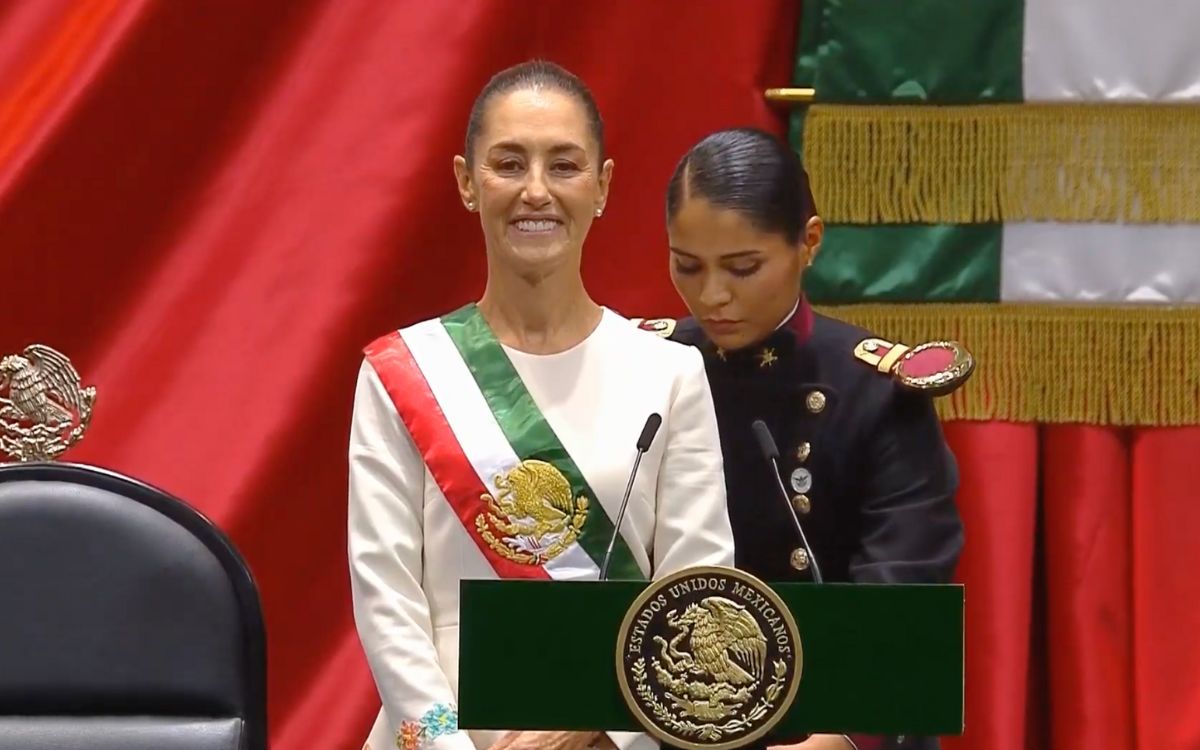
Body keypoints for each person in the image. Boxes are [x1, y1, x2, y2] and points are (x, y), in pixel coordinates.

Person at [348, 61, 736, 750]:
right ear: (467, 182)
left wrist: (589, 729)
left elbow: (695, 595)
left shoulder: (671, 374)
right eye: (508, 164)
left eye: (563, 165)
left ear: (602, 186)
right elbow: (387, 600)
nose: (536, 190)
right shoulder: (403, 372)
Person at [635, 128, 971, 750]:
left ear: (809, 242)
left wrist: (844, 734)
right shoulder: (644, 368)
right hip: (658, 715)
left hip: (824, 718)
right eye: (687, 265)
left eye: (743, 268)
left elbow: (903, 592)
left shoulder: (873, 390)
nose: (712, 295)